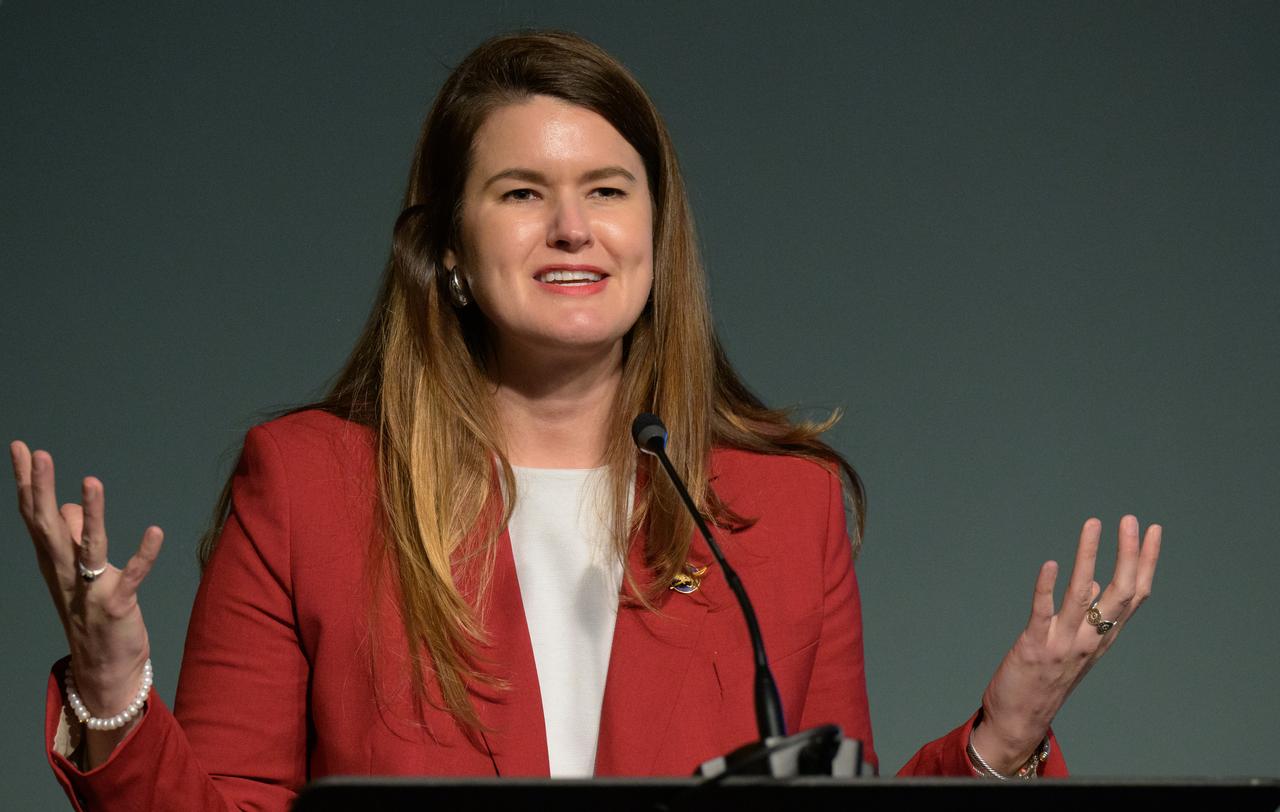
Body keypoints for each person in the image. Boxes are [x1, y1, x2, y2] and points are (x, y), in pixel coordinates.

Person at [11, 31, 1161, 811]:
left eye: (607, 190)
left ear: (654, 240)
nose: (572, 226)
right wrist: (116, 692)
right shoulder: (309, 484)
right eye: (521, 193)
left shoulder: (778, 510)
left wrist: (999, 742)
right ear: (449, 253)